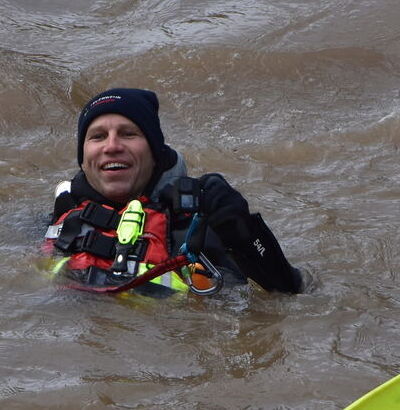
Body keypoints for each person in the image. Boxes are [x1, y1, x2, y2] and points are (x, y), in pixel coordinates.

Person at [44, 88, 311, 297]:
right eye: (98, 136)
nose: (112, 146)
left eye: (128, 134)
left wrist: (244, 234)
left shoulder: (196, 228)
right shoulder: (60, 217)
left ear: (155, 154)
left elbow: (291, 296)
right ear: (83, 159)